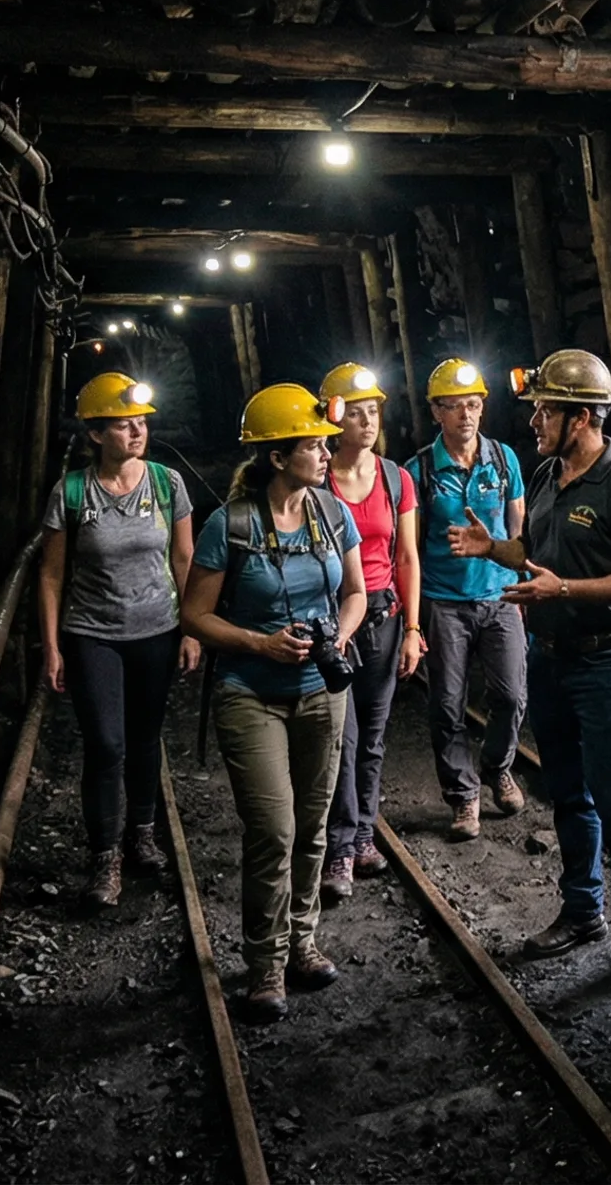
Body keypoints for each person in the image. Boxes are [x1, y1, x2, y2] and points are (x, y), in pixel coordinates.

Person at [447, 350, 611, 986]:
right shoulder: (547, 477)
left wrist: (564, 591)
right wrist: (496, 549)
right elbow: (537, 554)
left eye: (545, 410)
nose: (534, 421)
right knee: (568, 793)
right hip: (551, 661)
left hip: (606, 663)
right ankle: (582, 911)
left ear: (582, 418)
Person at [180, 384, 368, 1024]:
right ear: (277, 455)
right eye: (314, 445)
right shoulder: (229, 524)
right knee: (275, 831)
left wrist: (336, 637)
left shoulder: (331, 513)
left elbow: (358, 594)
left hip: (321, 692)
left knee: (313, 829)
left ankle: (303, 945)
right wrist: (262, 643)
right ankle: (265, 965)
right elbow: (195, 615)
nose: (325, 453)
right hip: (250, 694)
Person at [36, 373, 199, 909]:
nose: (137, 432)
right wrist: (53, 646)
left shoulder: (167, 483)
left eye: (141, 424)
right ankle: (105, 856)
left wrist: (192, 627)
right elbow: (52, 575)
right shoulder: (73, 492)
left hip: (157, 629)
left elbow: (183, 560)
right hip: (93, 635)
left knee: (146, 737)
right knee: (107, 744)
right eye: (124, 425)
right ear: (96, 434)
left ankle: (143, 834)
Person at [316, 362, 424, 899]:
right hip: (332, 617)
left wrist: (413, 627)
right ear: (334, 418)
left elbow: (407, 556)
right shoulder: (317, 478)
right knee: (343, 735)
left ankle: (362, 836)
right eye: (356, 413)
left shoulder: (394, 477)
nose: (367, 422)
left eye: (373, 412)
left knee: (372, 737)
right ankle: (338, 849)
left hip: (381, 615)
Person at [412, 358, 529, 841]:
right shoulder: (417, 469)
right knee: (447, 705)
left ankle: (498, 766)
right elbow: (410, 546)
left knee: (511, 695)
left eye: (474, 405)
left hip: (499, 594)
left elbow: (518, 526)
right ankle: (464, 797)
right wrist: (413, 614)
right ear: (436, 412)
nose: (466, 415)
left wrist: (520, 583)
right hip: (445, 602)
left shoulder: (503, 459)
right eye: (455, 407)